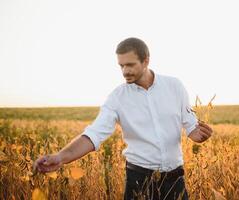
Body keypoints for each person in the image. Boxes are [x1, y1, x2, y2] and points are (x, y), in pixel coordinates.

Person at [33, 37, 213, 200]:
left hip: (175, 181)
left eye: (130, 65)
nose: (125, 71)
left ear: (146, 60)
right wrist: (61, 157)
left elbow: (191, 128)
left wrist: (199, 135)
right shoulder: (117, 98)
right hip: (139, 180)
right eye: (121, 66)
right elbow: (93, 135)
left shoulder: (175, 86)